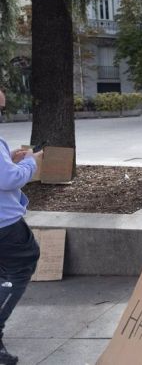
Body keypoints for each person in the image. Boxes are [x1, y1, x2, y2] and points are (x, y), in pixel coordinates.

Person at [0, 88, 43, 365]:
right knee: (20, 267)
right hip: (5, 225)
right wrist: (29, 163)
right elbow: (7, 181)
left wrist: (9, 161)